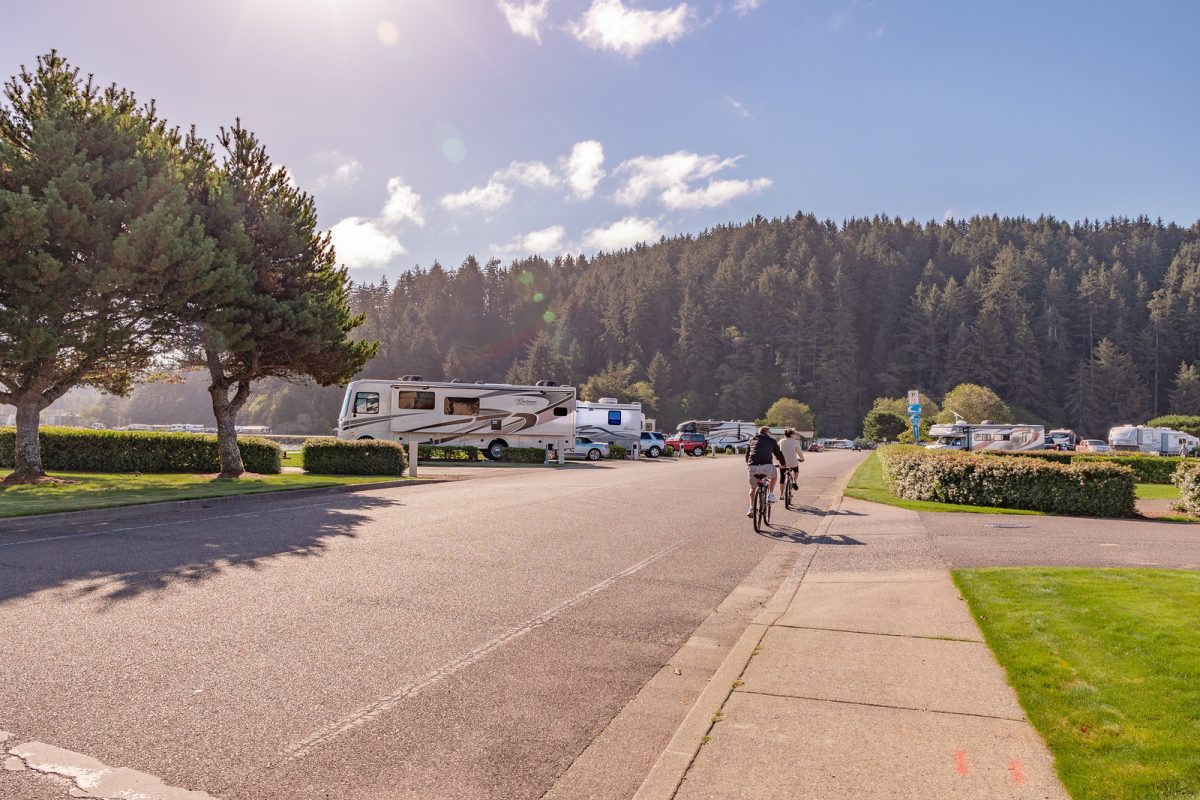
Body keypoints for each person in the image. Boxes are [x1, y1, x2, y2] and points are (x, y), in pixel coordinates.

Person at [745, 425, 787, 517]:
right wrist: (783, 464)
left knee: (752, 488)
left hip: (753, 467)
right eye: (770, 433)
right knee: (774, 475)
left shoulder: (752, 439)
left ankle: (751, 507)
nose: (770, 434)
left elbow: (748, 453)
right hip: (766, 466)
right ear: (767, 433)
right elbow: (778, 454)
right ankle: (770, 494)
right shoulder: (771, 441)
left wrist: (748, 464)